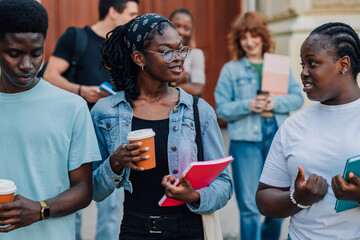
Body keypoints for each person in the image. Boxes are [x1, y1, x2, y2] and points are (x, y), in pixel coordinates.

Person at [91, 13, 233, 239]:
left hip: (188, 229)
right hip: (134, 229)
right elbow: (94, 190)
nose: (178, 58)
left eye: (180, 50)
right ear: (139, 58)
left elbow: (224, 185)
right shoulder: (106, 112)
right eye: (167, 52)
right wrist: (115, 162)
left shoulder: (198, 110)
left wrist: (194, 195)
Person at [0, 0, 101, 239]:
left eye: (36, 53)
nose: (27, 65)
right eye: (14, 54)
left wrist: (40, 209)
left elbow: (84, 189)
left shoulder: (72, 107)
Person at [44, 1, 139, 239]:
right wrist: (81, 91)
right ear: (113, 11)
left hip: (110, 134)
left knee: (110, 207)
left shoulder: (126, 47)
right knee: (73, 200)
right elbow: (49, 75)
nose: (135, 20)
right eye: (131, 14)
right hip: (73, 133)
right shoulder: (76, 38)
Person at [256, 22, 360, 240]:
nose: (303, 72)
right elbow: (264, 200)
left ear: (343, 64)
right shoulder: (293, 125)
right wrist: (298, 198)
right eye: (302, 64)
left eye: (312, 63)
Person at [214, 11, 304, 240]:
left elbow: (297, 98)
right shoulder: (231, 70)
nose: (249, 42)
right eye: (244, 37)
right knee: (250, 207)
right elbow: (221, 109)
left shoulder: (279, 65)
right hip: (245, 142)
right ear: (238, 40)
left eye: (254, 35)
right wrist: (248, 104)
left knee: (278, 204)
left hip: (276, 137)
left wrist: (275, 102)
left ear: (263, 37)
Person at [169, 8, 205, 96]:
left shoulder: (195, 54)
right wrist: (177, 81)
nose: (181, 31)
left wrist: (169, 85)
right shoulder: (161, 52)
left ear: (192, 32)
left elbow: (197, 90)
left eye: (186, 28)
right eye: (177, 25)